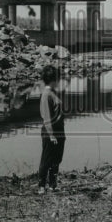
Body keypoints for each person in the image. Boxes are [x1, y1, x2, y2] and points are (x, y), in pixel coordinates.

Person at [38, 64, 65, 193]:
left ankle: (52, 184)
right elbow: (47, 117)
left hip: (59, 131)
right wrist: (52, 135)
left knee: (57, 158)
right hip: (50, 132)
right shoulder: (46, 94)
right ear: (53, 79)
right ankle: (41, 185)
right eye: (58, 78)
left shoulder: (54, 93)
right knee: (47, 158)